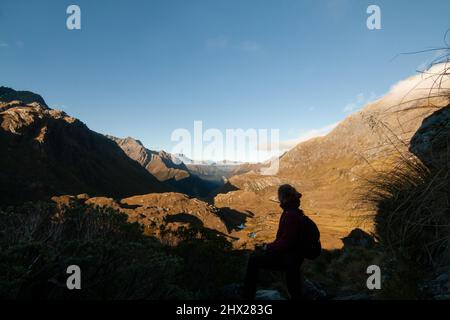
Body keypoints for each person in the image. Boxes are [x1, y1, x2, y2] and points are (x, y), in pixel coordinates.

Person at [243, 184, 319, 300]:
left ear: (283, 197)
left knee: (254, 260)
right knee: (293, 284)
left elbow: (285, 242)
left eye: (279, 197)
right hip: (294, 257)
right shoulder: (294, 212)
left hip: (289, 258)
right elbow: (286, 240)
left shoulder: (290, 215)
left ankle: (247, 296)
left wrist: (267, 247)